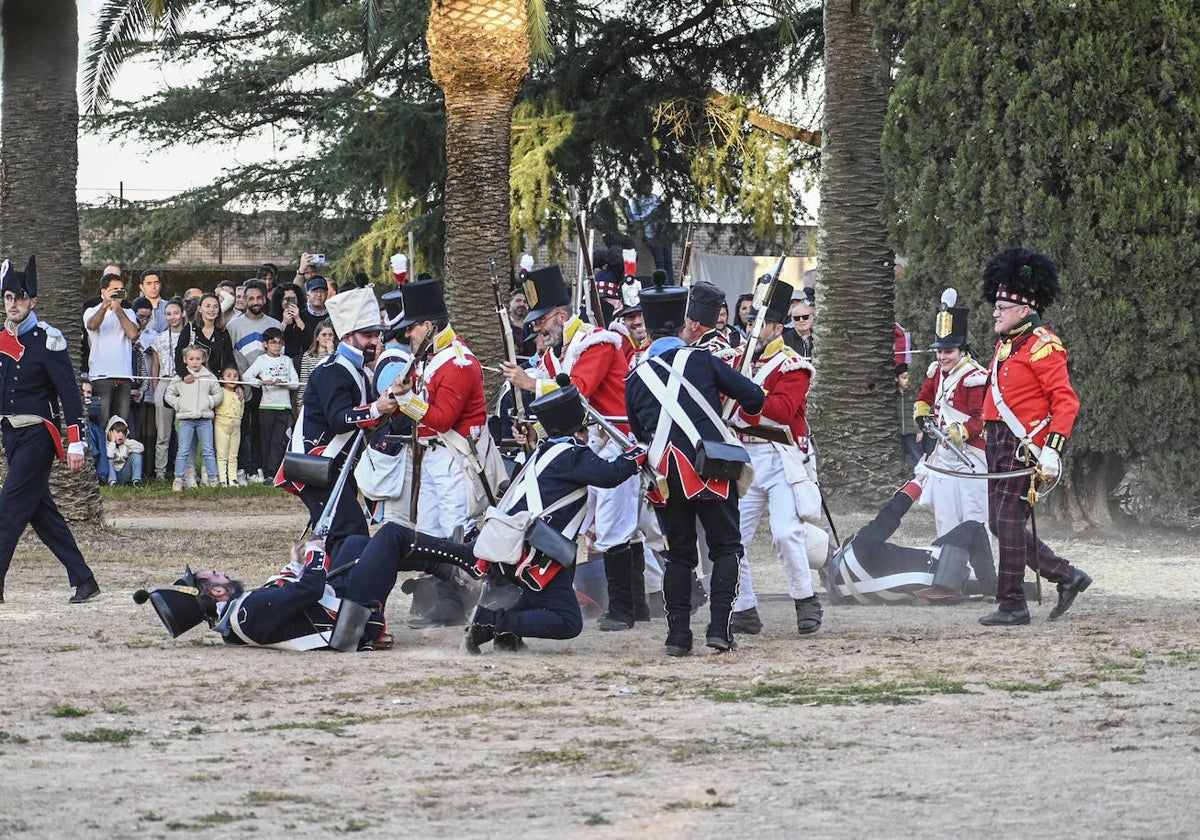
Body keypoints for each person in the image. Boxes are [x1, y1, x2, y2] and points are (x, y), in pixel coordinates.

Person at [625, 280, 765, 655]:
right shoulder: (703, 360)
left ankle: (678, 636)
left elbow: (640, 432)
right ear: (682, 325)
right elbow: (755, 397)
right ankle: (719, 629)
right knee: (726, 547)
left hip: (667, 477)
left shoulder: (636, 377)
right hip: (713, 467)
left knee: (679, 555)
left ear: (650, 330)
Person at [501, 265, 641, 632]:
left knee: (614, 525)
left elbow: (576, 393)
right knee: (574, 519)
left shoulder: (597, 342)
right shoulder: (554, 353)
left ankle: (625, 608)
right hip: (586, 444)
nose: (536, 329)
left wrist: (530, 383)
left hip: (616, 439)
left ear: (561, 316)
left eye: (541, 321)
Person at [465, 386, 645, 653]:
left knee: (539, 599)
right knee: (568, 621)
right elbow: (609, 475)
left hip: (524, 543)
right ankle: (492, 623)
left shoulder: (549, 449)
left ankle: (504, 634)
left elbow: (587, 464)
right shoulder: (572, 453)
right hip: (540, 551)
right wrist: (635, 455)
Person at [977, 247, 1091, 626]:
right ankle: (1066, 576)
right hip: (999, 443)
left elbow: (1066, 402)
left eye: (1002, 306)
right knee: (999, 523)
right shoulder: (1007, 344)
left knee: (1007, 523)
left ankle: (1013, 604)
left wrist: (1052, 450)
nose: (995, 312)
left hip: (1024, 447)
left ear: (1024, 309)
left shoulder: (1044, 344)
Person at [139, 526, 478, 651]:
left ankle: (446, 569)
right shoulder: (246, 611)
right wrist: (315, 554)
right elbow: (311, 590)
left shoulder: (239, 614)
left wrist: (296, 564)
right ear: (216, 593)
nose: (223, 571)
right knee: (390, 535)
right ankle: (471, 558)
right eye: (216, 574)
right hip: (354, 619)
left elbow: (287, 596)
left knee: (355, 542)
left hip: (338, 604)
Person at [389, 278, 495, 629]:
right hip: (433, 454)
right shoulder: (430, 358)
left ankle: (458, 601)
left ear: (428, 325)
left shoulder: (458, 363)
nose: (408, 336)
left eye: (411, 329)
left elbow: (442, 418)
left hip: (454, 455)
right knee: (430, 531)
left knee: (454, 529)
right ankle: (442, 598)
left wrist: (405, 400)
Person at [0, 257, 101, 605]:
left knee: (7, 509)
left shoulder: (49, 340)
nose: (13, 304)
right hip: (11, 436)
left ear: (33, 302)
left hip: (39, 435)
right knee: (41, 513)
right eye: (8, 297)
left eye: (20, 298)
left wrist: (76, 442)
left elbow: (70, 397)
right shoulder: (0, 340)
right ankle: (84, 579)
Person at [727, 280, 824, 636]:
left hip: (780, 455)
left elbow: (782, 411)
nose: (753, 329)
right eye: (750, 323)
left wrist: (744, 394)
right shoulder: (739, 361)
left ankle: (806, 599)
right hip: (747, 458)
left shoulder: (793, 365)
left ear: (776, 328)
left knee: (785, 533)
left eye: (760, 325)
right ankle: (745, 607)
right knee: (732, 536)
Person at [286, 286, 399, 564]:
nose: (375, 340)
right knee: (351, 533)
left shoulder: (357, 370)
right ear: (348, 336)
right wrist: (376, 407)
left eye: (376, 334)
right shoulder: (333, 369)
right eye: (368, 335)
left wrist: (391, 406)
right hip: (318, 465)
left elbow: (368, 420)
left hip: (336, 467)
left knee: (341, 536)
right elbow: (339, 420)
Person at [822, 470, 997, 605]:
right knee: (974, 528)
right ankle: (992, 591)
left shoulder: (838, 590)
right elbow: (889, 516)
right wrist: (917, 482)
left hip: (923, 585)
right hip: (939, 575)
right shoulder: (858, 547)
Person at [912, 289, 989, 537]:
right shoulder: (936, 371)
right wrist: (922, 416)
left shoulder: (975, 377)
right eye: (940, 351)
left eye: (949, 352)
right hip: (944, 455)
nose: (943, 357)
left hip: (970, 456)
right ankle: (950, 568)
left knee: (974, 518)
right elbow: (924, 398)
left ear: (962, 351)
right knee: (945, 519)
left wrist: (959, 431)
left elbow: (982, 419)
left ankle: (980, 571)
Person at [84, 271, 139, 430]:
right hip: (101, 375)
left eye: (121, 289)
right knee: (102, 421)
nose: (118, 293)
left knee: (121, 425)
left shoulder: (128, 312)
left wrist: (118, 309)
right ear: (103, 291)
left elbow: (133, 334)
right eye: (114, 289)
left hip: (124, 375)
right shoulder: (92, 310)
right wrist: (105, 306)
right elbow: (92, 325)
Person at [243, 326, 299, 483]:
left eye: (279, 342)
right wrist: (261, 382)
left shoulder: (287, 360)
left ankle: (274, 472)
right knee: (266, 439)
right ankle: (267, 472)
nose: (277, 346)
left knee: (279, 440)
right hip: (266, 406)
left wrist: (284, 383)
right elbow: (246, 376)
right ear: (265, 344)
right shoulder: (261, 360)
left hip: (284, 406)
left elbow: (295, 383)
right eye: (273, 342)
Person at [164, 345, 223, 492]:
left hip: (205, 419)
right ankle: (178, 479)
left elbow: (218, 394)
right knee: (183, 450)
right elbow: (169, 395)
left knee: (208, 450)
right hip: (186, 419)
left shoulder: (209, 377)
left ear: (203, 359)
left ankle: (213, 478)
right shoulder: (180, 378)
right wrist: (179, 404)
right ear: (185, 360)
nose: (195, 362)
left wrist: (209, 402)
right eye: (191, 359)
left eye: (198, 358)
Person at [148, 298, 186, 480]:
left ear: (183, 314)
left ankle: (185, 470)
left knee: (186, 429)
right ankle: (160, 471)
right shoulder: (160, 338)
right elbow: (155, 365)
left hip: (185, 383)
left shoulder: (191, 336)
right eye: (169, 314)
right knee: (163, 433)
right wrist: (157, 388)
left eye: (176, 313)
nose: (172, 317)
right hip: (165, 381)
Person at [213, 366, 245, 487]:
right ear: (222, 378)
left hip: (235, 426)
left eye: (235, 376)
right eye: (228, 376)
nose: (232, 378)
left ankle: (232, 478)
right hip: (222, 425)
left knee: (233, 454)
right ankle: (222, 478)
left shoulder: (239, 394)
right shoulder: (220, 392)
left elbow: (241, 409)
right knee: (222, 453)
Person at [896, 363, 924, 473]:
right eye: (904, 377)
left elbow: (920, 412)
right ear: (896, 378)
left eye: (909, 377)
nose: (907, 380)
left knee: (919, 459)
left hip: (913, 432)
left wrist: (920, 429)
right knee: (898, 461)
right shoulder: (892, 394)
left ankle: (922, 482)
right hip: (897, 434)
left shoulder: (915, 393)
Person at [103, 415, 144, 487]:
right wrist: (112, 442)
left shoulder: (126, 443)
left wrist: (126, 441)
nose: (121, 435)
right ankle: (112, 483)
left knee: (136, 455)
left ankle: (136, 481)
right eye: (118, 432)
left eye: (123, 432)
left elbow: (141, 448)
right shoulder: (106, 444)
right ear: (110, 432)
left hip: (124, 473)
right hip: (112, 474)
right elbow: (109, 455)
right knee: (109, 460)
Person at [138, 268, 170, 332]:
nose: (153, 287)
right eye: (149, 284)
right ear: (142, 287)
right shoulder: (136, 308)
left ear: (160, 285)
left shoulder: (169, 306)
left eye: (156, 283)